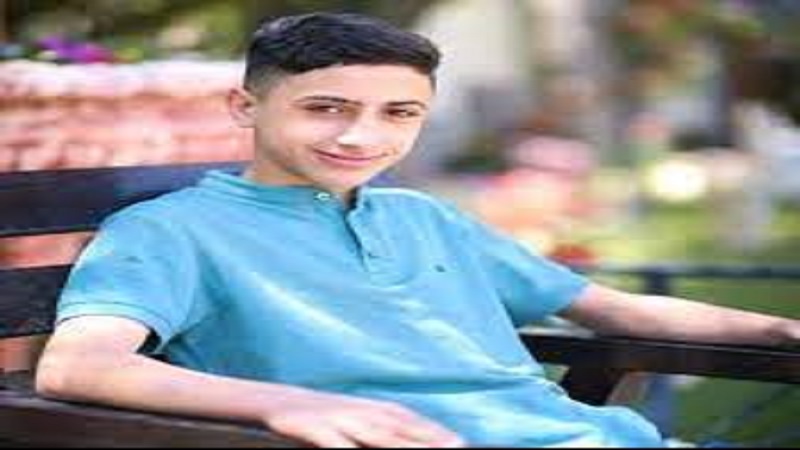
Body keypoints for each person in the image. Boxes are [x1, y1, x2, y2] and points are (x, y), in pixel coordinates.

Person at [35, 12, 799, 448]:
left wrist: (778, 330)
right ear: (247, 108)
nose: (361, 137)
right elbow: (77, 368)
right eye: (325, 108)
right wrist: (283, 405)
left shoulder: (423, 216)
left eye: (398, 113)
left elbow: (614, 309)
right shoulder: (169, 231)